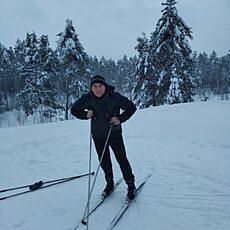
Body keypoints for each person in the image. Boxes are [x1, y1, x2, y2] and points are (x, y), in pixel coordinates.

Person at [70, 75, 137, 200]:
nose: (98, 89)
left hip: (114, 134)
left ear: (105, 86)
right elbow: (74, 110)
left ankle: (131, 185)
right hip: (98, 136)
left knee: (122, 160)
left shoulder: (114, 97)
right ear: (91, 88)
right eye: (95, 86)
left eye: (100, 86)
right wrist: (85, 114)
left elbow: (131, 107)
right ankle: (109, 184)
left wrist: (120, 119)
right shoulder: (88, 98)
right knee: (104, 162)